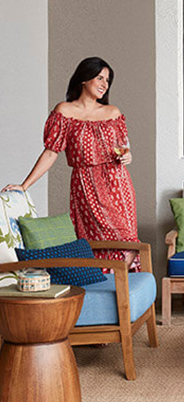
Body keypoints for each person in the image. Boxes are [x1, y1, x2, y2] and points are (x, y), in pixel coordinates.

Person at [2, 57, 140, 270]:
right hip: (85, 184)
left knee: (127, 241)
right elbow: (50, 152)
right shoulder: (64, 111)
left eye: (108, 80)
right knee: (94, 241)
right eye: (100, 78)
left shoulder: (113, 112)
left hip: (117, 183)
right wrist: (24, 186)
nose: (105, 84)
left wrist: (128, 156)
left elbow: (124, 147)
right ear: (84, 79)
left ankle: (119, 283)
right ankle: (103, 285)